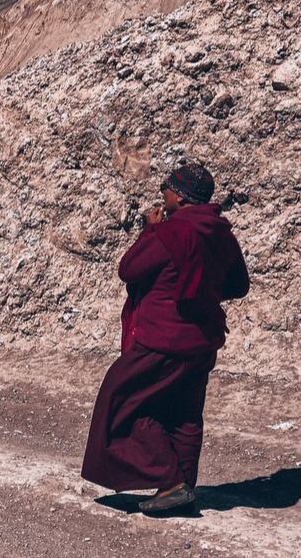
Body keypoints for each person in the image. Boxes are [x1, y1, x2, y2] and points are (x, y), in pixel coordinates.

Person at [81, 161, 250, 514]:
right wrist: (202, 289)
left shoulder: (169, 234)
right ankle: (181, 489)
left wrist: (148, 231)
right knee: (183, 413)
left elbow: (128, 269)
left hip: (163, 339)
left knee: (120, 401)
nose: (162, 193)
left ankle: (170, 478)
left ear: (180, 197)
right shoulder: (220, 233)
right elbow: (238, 285)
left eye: (167, 189)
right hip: (202, 341)